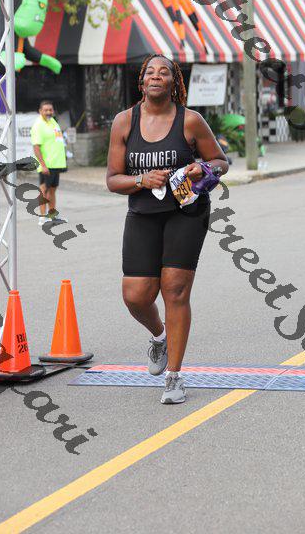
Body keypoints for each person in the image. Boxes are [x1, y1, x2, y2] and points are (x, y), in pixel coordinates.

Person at [106, 54, 229, 404]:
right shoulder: (123, 122)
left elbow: (221, 162)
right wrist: (141, 179)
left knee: (174, 290)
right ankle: (159, 336)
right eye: (150, 72)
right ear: (142, 81)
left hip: (186, 212)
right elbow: (113, 179)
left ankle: (174, 378)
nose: (156, 76)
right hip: (143, 213)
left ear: (174, 82)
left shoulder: (190, 121)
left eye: (164, 72)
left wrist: (203, 168)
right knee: (136, 295)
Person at [30, 100, 67, 225]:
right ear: (40, 111)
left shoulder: (53, 122)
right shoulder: (38, 125)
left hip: (56, 164)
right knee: (44, 190)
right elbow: (36, 147)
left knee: (52, 190)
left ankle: (52, 216)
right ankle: (42, 217)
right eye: (45, 110)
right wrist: (43, 165)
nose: (48, 112)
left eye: (50, 110)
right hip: (47, 165)